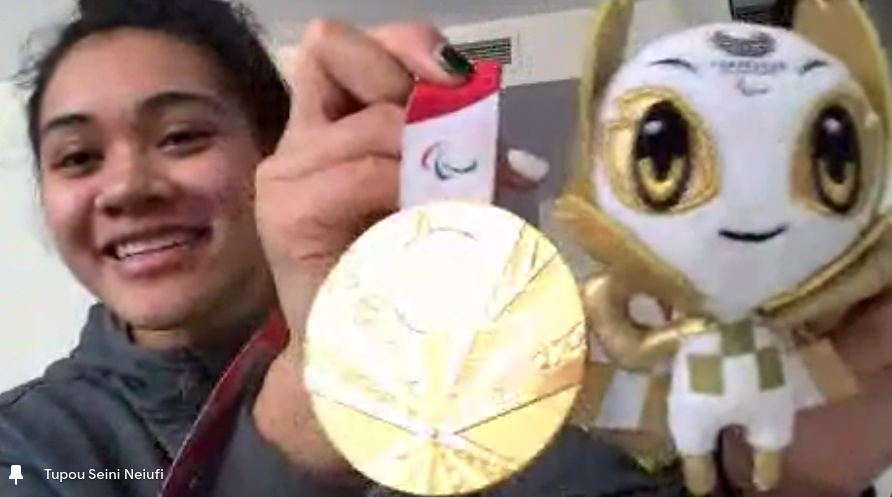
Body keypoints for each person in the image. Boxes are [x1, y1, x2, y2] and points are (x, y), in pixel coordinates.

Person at [0, 0, 889, 496]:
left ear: (281, 153)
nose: (126, 187)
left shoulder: (478, 363)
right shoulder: (32, 446)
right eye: (76, 157)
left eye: (182, 137)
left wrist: (786, 480)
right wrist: (315, 396)